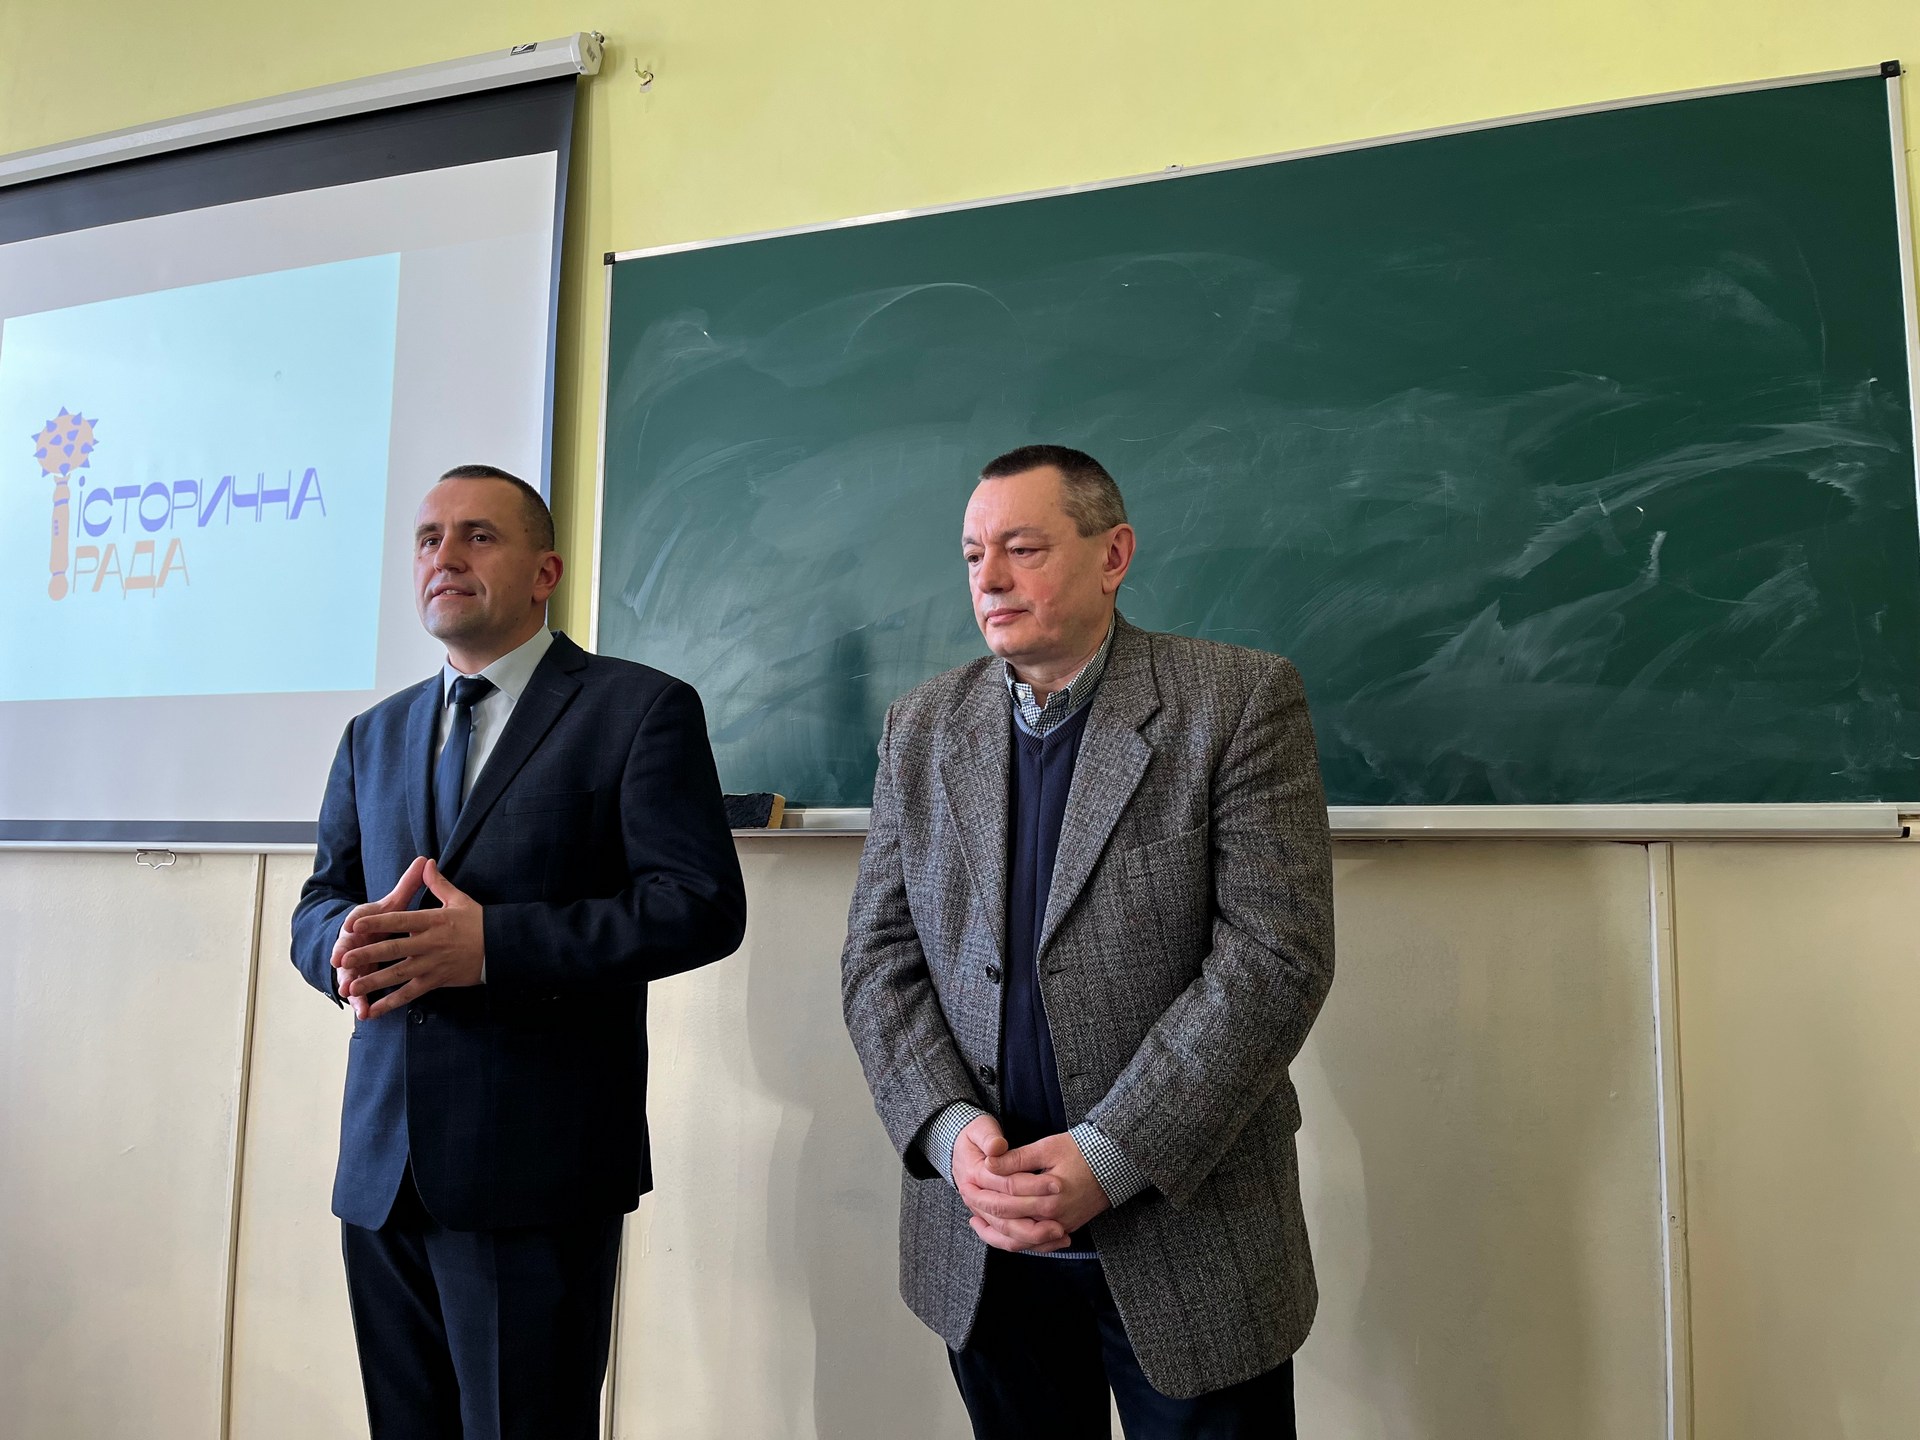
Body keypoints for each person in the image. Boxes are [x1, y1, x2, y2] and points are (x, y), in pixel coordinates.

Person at [840, 444, 1334, 1437]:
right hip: (985, 1239)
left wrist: (1110, 1157)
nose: (988, 577)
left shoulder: (1236, 701)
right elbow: (879, 961)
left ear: (1113, 555)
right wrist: (950, 1131)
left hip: (1191, 1239)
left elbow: (1275, 959)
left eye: (1022, 548)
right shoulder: (921, 727)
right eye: (973, 554)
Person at [290, 463, 746, 1439]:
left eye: (478, 535)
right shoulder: (373, 733)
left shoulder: (638, 709)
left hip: (537, 1170)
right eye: (428, 538)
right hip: (382, 1168)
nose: (445, 556)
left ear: (545, 573)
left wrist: (493, 945)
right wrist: (342, 946)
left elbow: (699, 906)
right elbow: (319, 901)